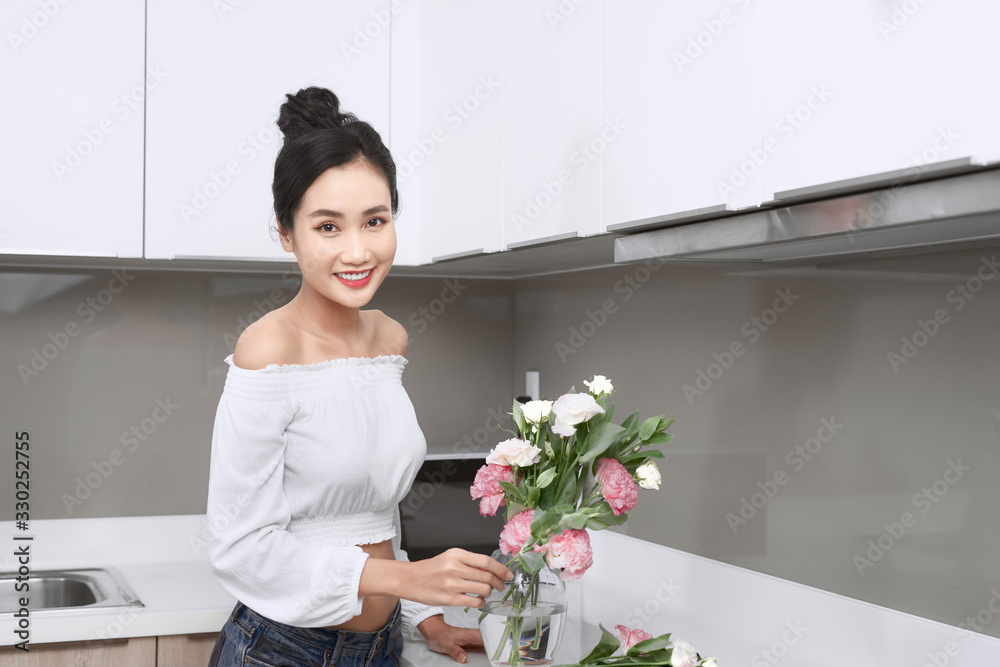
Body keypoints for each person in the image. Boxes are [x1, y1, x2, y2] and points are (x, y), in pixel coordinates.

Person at [205, 86, 512, 667]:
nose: (357, 251)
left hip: (383, 646)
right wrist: (409, 578)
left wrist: (428, 617)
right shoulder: (268, 349)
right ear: (286, 233)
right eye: (327, 227)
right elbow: (240, 546)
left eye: (375, 220)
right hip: (283, 651)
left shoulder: (387, 339)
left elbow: (375, 510)